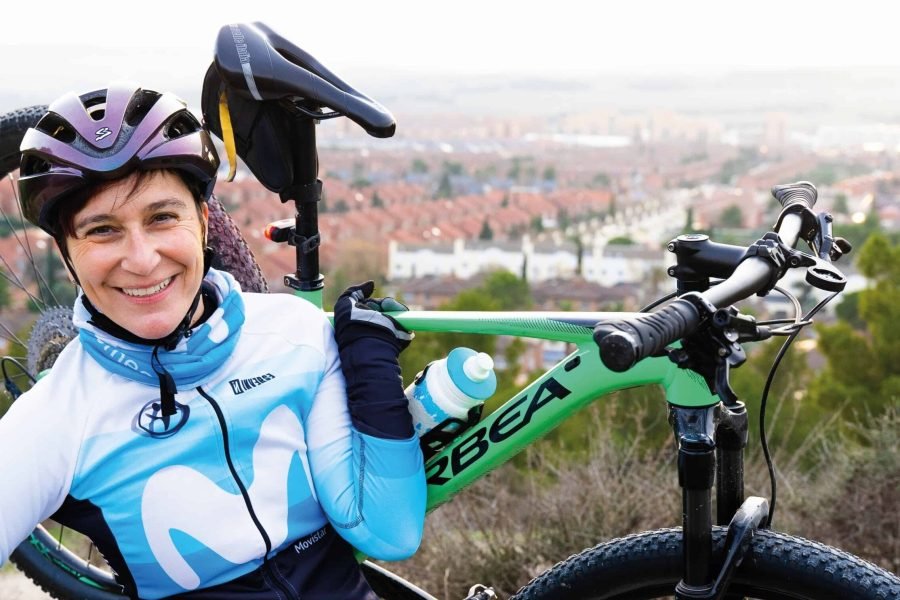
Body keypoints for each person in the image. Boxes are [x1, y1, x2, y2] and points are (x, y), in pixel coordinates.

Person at [0, 82, 425, 599]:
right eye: (102, 230)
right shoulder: (57, 418)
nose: (142, 260)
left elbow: (389, 530)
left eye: (162, 217)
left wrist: (374, 378)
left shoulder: (295, 335)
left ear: (202, 222)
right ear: (68, 253)